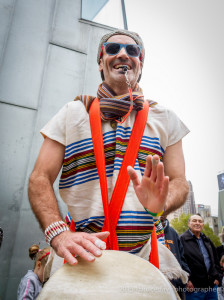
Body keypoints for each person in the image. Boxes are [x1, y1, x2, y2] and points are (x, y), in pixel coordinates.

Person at [28, 29, 189, 266]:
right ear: (101, 63)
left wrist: (161, 204)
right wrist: (59, 234)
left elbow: (180, 182)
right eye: (113, 49)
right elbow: (39, 178)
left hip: (146, 260)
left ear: (140, 64)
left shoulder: (166, 119)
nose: (123, 54)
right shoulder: (72, 113)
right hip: (82, 258)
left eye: (132, 50)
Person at [180, 214, 222, 299]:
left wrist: (218, 277)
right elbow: (179, 262)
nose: (197, 223)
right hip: (193, 289)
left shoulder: (207, 240)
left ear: (203, 224)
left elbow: (215, 260)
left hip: (211, 288)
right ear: (189, 224)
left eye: (200, 221)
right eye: (194, 221)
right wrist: (187, 281)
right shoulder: (182, 239)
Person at [160, 216, 190, 299]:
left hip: (177, 285)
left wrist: (185, 276)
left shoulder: (172, 232)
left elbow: (181, 256)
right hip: (159, 285)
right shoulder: (148, 231)